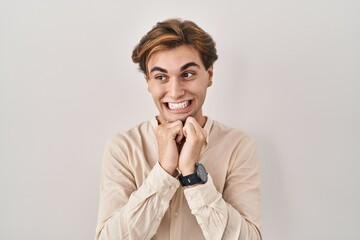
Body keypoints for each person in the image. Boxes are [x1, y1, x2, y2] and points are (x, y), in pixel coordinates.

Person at [95, 18, 262, 240]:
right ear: (148, 82)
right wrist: (164, 170)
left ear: (209, 75)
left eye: (187, 74)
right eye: (161, 77)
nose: (174, 92)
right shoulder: (123, 147)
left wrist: (192, 175)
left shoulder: (238, 145)